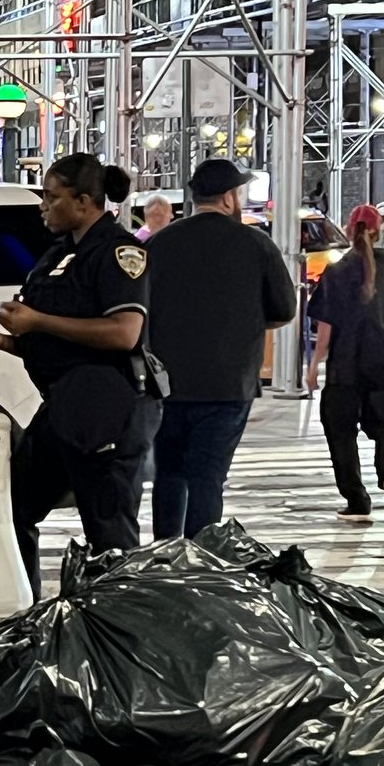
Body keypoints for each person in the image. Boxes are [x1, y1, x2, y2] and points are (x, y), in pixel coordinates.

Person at [0, 153, 162, 600]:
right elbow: (56, 336)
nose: (43, 207)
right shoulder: (59, 253)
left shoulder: (118, 252)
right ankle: (24, 609)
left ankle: (118, 633)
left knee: (109, 535)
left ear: (85, 202)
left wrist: (36, 322)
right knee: (11, 504)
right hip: (64, 404)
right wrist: (5, 341)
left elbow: (124, 332)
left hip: (108, 407)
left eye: (52, 198)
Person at [148, 159, 297, 539]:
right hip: (229, 387)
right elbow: (283, 311)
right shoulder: (256, 244)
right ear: (230, 198)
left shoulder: (160, 244)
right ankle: (201, 565)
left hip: (167, 385)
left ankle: (164, 558)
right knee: (207, 479)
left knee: (169, 475)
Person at [307, 203, 384, 522]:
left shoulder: (337, 270)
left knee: (340, 431)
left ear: (350, 231)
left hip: (346, 365)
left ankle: (356, 499)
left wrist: (313, 369)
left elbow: (326, 326)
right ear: (378, 232)